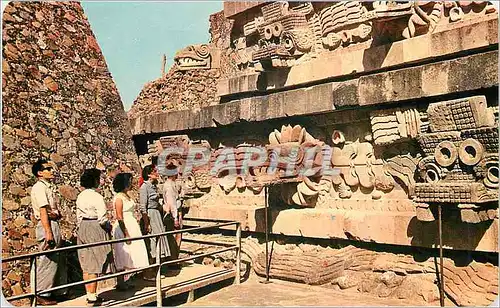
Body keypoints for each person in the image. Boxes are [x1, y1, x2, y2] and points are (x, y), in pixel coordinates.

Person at [30, 159, 67, 306]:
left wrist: (55, 214)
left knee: (56, 258)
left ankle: (53, 290)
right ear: (40, 173)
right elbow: (43, 210)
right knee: (47, 259)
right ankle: (42, 293)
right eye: (48, 169)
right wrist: (48, 232)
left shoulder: (48, 187)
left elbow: (52, 211)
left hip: (52, 223)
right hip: (47, 225)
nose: (51, 171)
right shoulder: (39, 187)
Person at [76, 168, 113, 305]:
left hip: (83, 226)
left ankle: (89, 293)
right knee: (95, 260)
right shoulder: (97, 197)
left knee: (86, 261)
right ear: (95, 180)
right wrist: (108, 228)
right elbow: (102, 218)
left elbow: (78, 216)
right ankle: (92, 296)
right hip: (95, 226)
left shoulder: (81, 196)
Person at [111, 173, 149, 288]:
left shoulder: (127, 195)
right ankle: (120, 282)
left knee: (133, 252)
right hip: (124, 226)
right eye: (130, 181)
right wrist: (126, 233)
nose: (132, 183)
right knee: (123, 253)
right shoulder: (118, 197)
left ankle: (127, 280)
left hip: (132, 224)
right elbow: (119, 216)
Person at [139, 165, 171, 262]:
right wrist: (146, 223)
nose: (157, 173)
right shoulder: (144, 187)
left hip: (157, 214)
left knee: (159, 238)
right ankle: (152, 267)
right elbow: (143, 207)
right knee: (153, 239)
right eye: (154, 172)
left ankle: (158, 265)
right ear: (149, 174)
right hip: (150, 215)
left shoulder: (154, 187)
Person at [162, 172, 183, 261]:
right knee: (175, 236)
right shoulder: (169, 186)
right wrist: (175, 218)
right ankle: (173, 259)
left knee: (175, 236)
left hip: (175, 212)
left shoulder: (171, 184)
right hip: (173, 214)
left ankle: (173, 258)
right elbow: (172, 203)